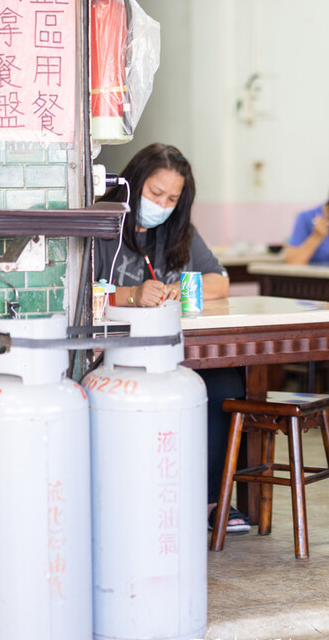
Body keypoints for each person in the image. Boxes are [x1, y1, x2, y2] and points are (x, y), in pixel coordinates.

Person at [94, 142, 249, 533]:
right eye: (154, 194)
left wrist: (181, 287)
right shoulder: (101, 223)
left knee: (227, 383)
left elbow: (220, 281)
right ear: (132, 183)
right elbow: (80, 292)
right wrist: (131, 295)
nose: (161, 204)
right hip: (113, 353)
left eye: (171, 199)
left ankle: (215, 501)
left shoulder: (179, 232)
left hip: (174, 352)